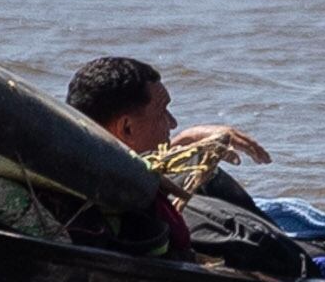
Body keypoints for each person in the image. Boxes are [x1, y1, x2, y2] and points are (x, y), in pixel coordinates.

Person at [66, 56, 270, 202]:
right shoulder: (129, 203)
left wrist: (183, 143)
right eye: (163, 112)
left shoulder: (65, 169)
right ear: (126, 128)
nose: (173, 123)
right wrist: (192, 158)